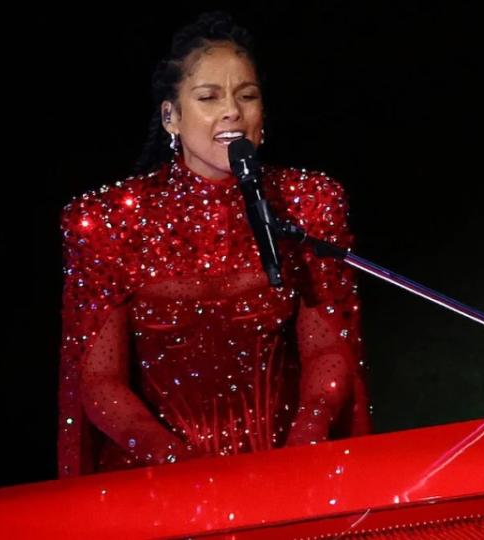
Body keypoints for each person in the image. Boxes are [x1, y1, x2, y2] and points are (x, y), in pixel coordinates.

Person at [57, 12, 371, 477]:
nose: (232, 111)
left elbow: (328, 349)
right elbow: (100, 381)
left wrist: (305, 441)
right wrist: (179, 464)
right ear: (171, 116)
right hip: (156, 476)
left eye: (247, 96)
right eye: (209, 97)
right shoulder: (109, 219)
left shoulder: (305, 202)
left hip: (286, 465)